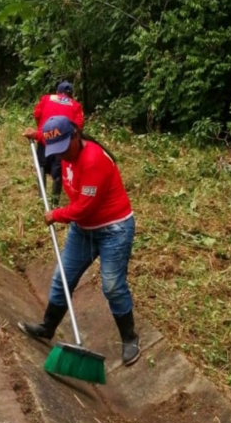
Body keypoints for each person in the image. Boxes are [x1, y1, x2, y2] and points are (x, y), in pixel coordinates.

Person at [19, 116, 140, 365]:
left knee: (112, 285)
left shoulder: (93, 161)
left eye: (63, 149)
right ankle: (48, 327)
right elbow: (51, 136)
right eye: (56, 150)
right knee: (61, 277)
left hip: (113, 230)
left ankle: (129, 338)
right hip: (83, 230)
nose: (61, 155)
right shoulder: (65, 145)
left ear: (76, 136)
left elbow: (84, 208)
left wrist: (56, 215)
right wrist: (38, 135)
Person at [23, 81, 84, 207]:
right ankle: (54, 202)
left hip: (45, 138)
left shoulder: (46, 98)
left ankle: (41, 200)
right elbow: (78, 126)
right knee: (58, 173)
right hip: (63, 143)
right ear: (71, 95)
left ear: (57, 92)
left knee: (42, 166)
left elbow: (37, 114)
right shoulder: (76, 105)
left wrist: (40, 130)